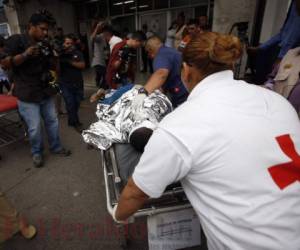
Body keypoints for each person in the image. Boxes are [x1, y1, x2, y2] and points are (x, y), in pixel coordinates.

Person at [113, 32, 300, 250]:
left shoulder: (181, 124)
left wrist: (118, 215)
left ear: (185, 71)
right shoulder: (276, 101)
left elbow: (136, 192)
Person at [2, 12, 71, 168]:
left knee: (52, 122)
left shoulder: (45, 44)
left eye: (47, 30)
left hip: (45, 91)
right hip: (26, 93)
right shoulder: (16, 40)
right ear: (31, 27)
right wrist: (25, 54)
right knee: (34, 127)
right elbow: (5, 64)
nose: (45, 33)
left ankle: (56, 147)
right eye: (42, 29)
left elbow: (54, 68)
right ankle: (37, 152)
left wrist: (55, 56)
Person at [248, 0, 300, 84]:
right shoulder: (294, 5)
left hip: (292, 56)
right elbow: (284, 32)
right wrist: (262, 47)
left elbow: (293, 34)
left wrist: (281, 58)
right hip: (285, 52)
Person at [132, 36, 188, 110]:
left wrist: (144, 92)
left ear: (150, 50)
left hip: (182, 97)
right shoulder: (170, 51)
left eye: (147, 53)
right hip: (187, 90)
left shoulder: (161, 55)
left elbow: (161, 73)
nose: (149, 56)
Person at [57, 34, 85, 132]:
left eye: (71, 43)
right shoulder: (60, 55)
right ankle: (75, 122)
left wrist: (70, 62)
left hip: (78, 83)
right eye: (67, 43)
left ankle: (72, 119)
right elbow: (56, 70)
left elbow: (82, 65)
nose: (69, 45)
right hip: (65, 84)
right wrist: (59, 58)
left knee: (77, 102)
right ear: (63, 44)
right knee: (70, 103)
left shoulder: (77, 53)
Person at [90, 21, 108, 89]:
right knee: (105, 77)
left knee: (103, 76)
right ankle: (101, 91)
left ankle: (99, 83)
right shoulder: (100, 37)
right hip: (99, 61)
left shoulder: (106, 37)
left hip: (104, 61)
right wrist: (97, 27)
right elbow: (92, 38)